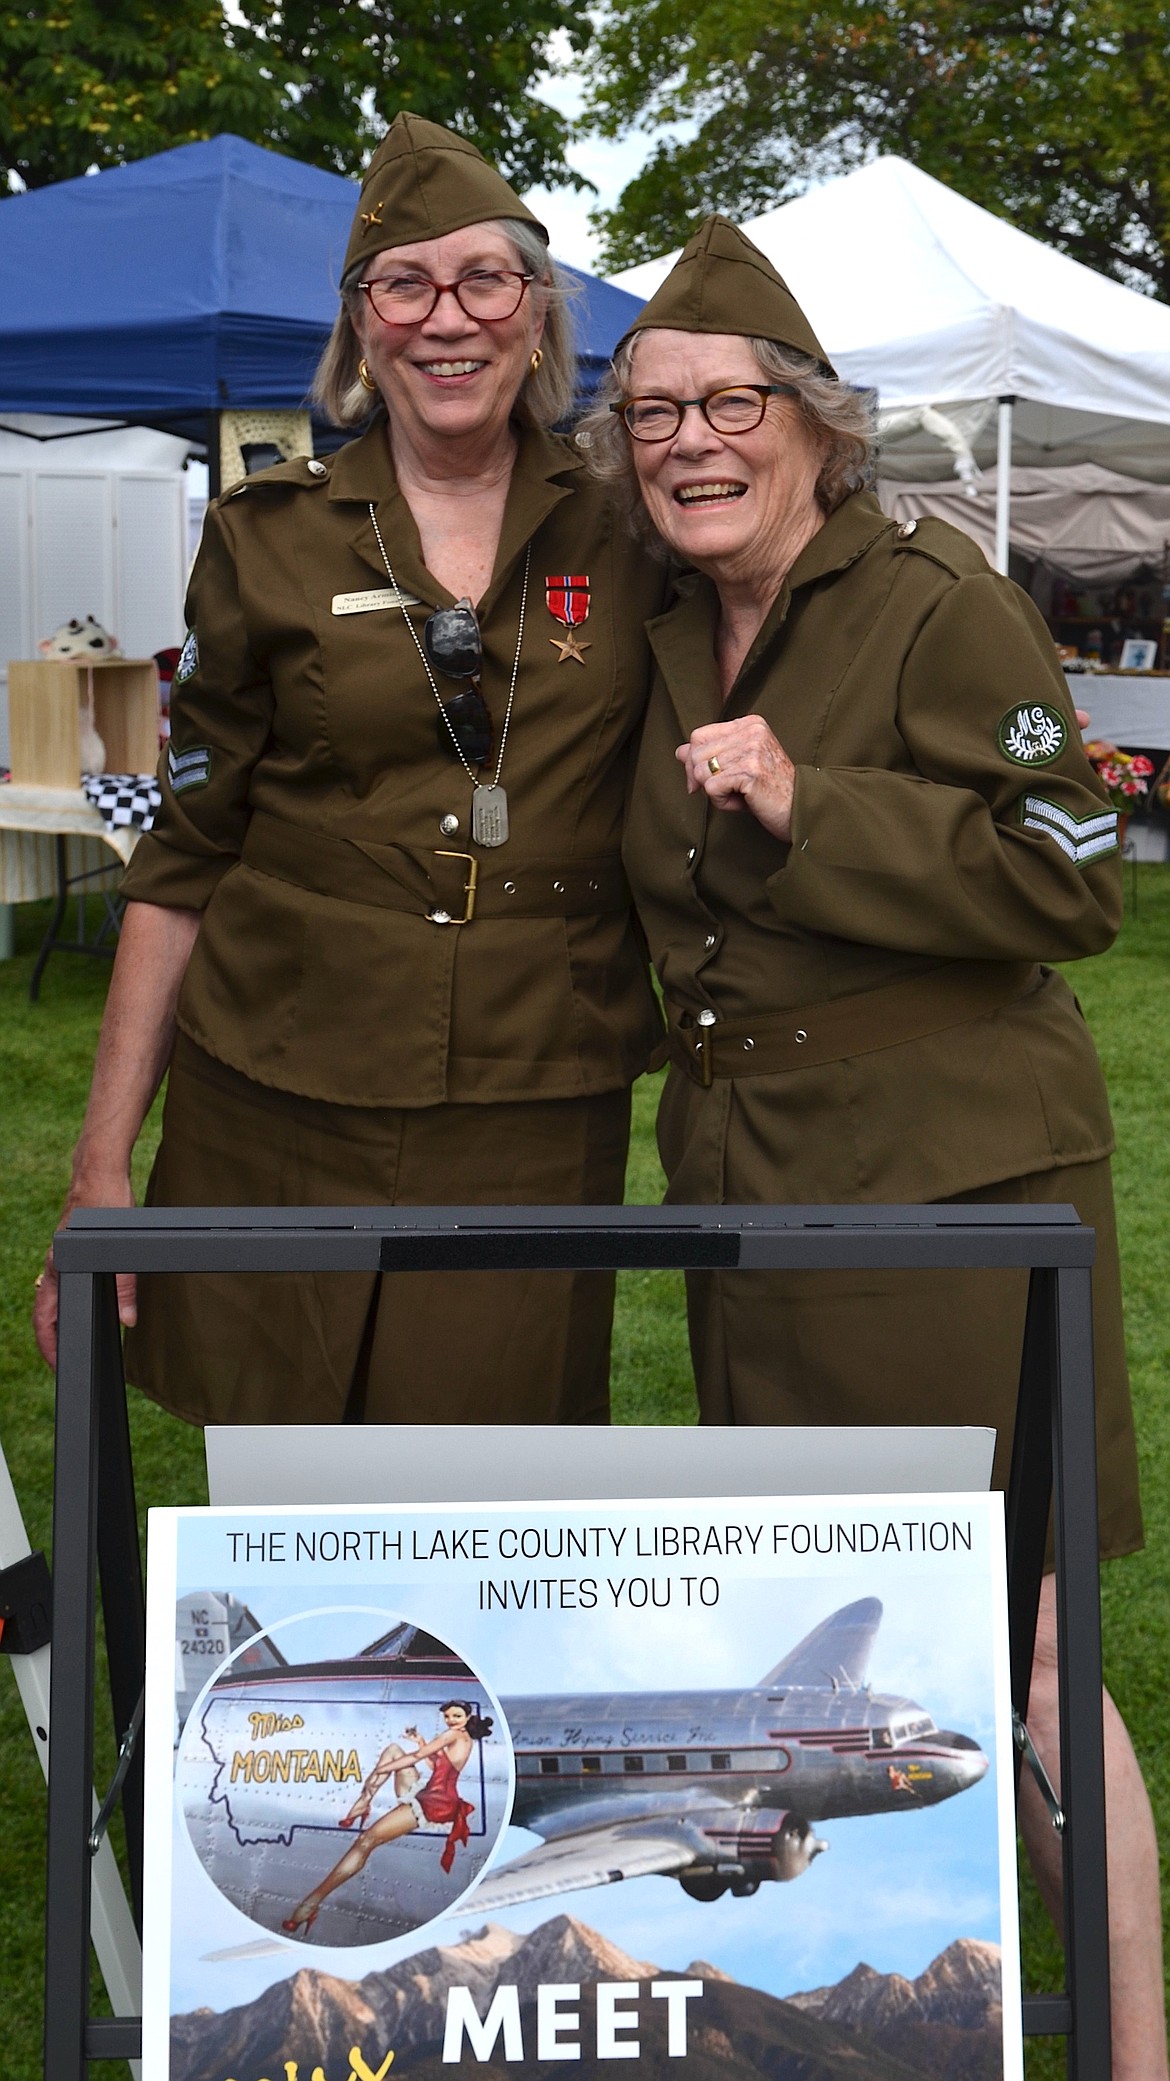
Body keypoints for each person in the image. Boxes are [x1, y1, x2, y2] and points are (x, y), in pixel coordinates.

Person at [578, 215, 1165, 2079]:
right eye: (652, 412)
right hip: (759, 1197)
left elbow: (1080, 874)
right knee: (829, 1658)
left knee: (1022, 1647)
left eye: (731, 403)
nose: (689, 441)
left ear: (822, 425)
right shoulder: (665, 618)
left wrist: (814, 803)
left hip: (959, 1200)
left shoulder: (933, 590)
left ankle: (1134, 2043)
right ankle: (906, 2013)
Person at [33, 113, 666, 1425]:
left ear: (537, 313)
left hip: (535, 1096)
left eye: (485, 279)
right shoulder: (263, 539)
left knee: (498, 1497)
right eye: (404, 283)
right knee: (282, 1491)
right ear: (359, 323)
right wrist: (101, 1165)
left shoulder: (631, 527)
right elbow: (187, 850)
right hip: (280, 1088)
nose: (448, 318)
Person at [283, 1701, 491, 1935]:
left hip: (434, 1803)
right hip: (431, 1793)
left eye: (456, 1715)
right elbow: (437, 1767)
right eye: (448, 1716)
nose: (451, 1720)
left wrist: (382, 1770)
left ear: (467, 1716)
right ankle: (362, 1804)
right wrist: (420, 1741)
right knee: (393, 1749)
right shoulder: (463, 1738)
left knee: (365, 1842)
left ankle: (312, 1902)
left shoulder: (452, 1735)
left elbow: (417, 1757)